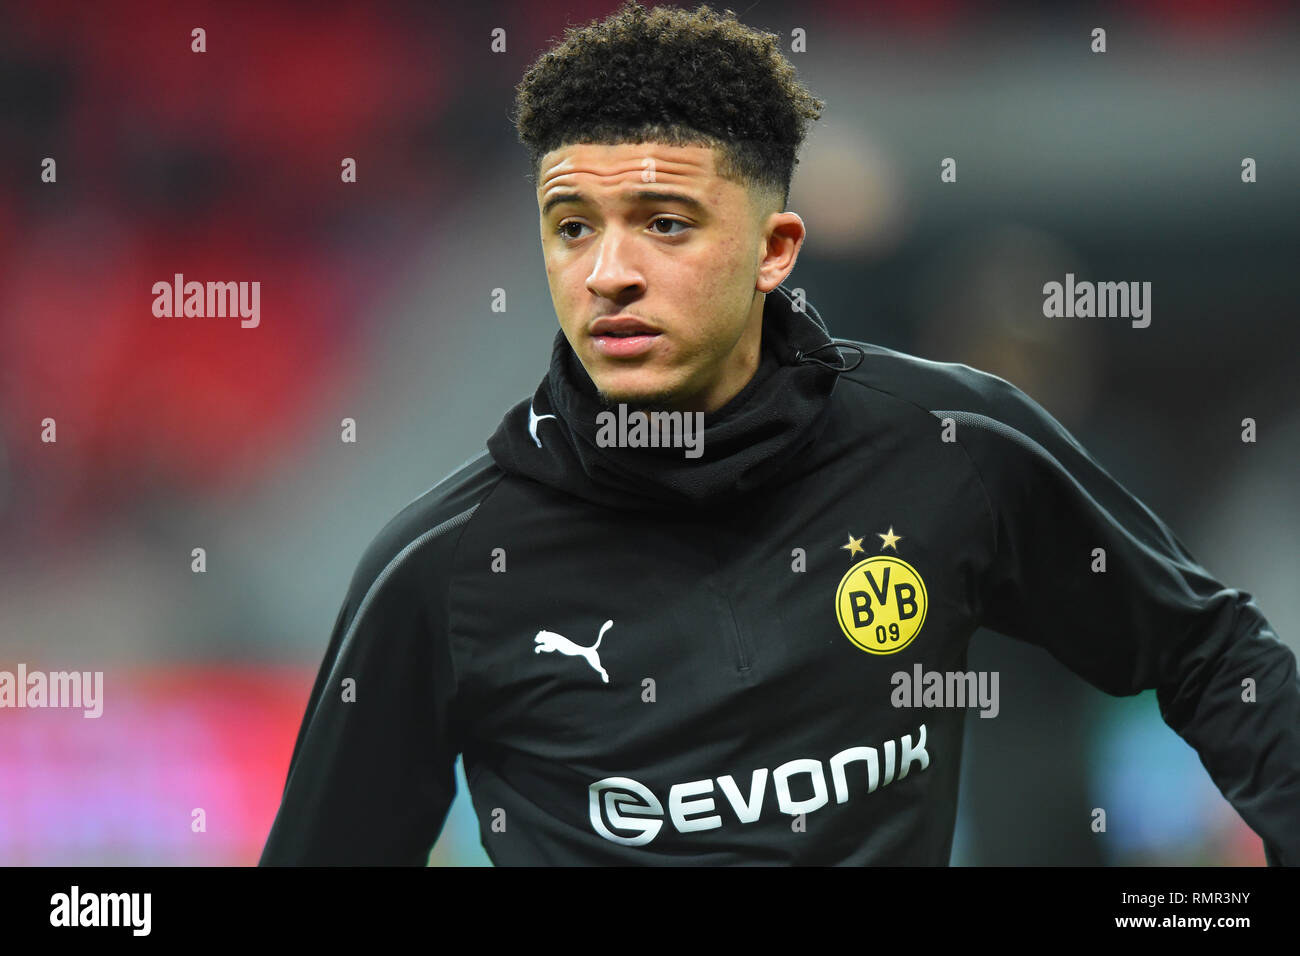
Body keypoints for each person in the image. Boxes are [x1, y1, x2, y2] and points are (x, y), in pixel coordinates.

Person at [259, 1, 1299, 866]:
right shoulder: (440, 567)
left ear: (774, 248)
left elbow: (1211, 650)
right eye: (572, 224)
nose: (607, 271)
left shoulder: (953, 450)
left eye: (665, 222)